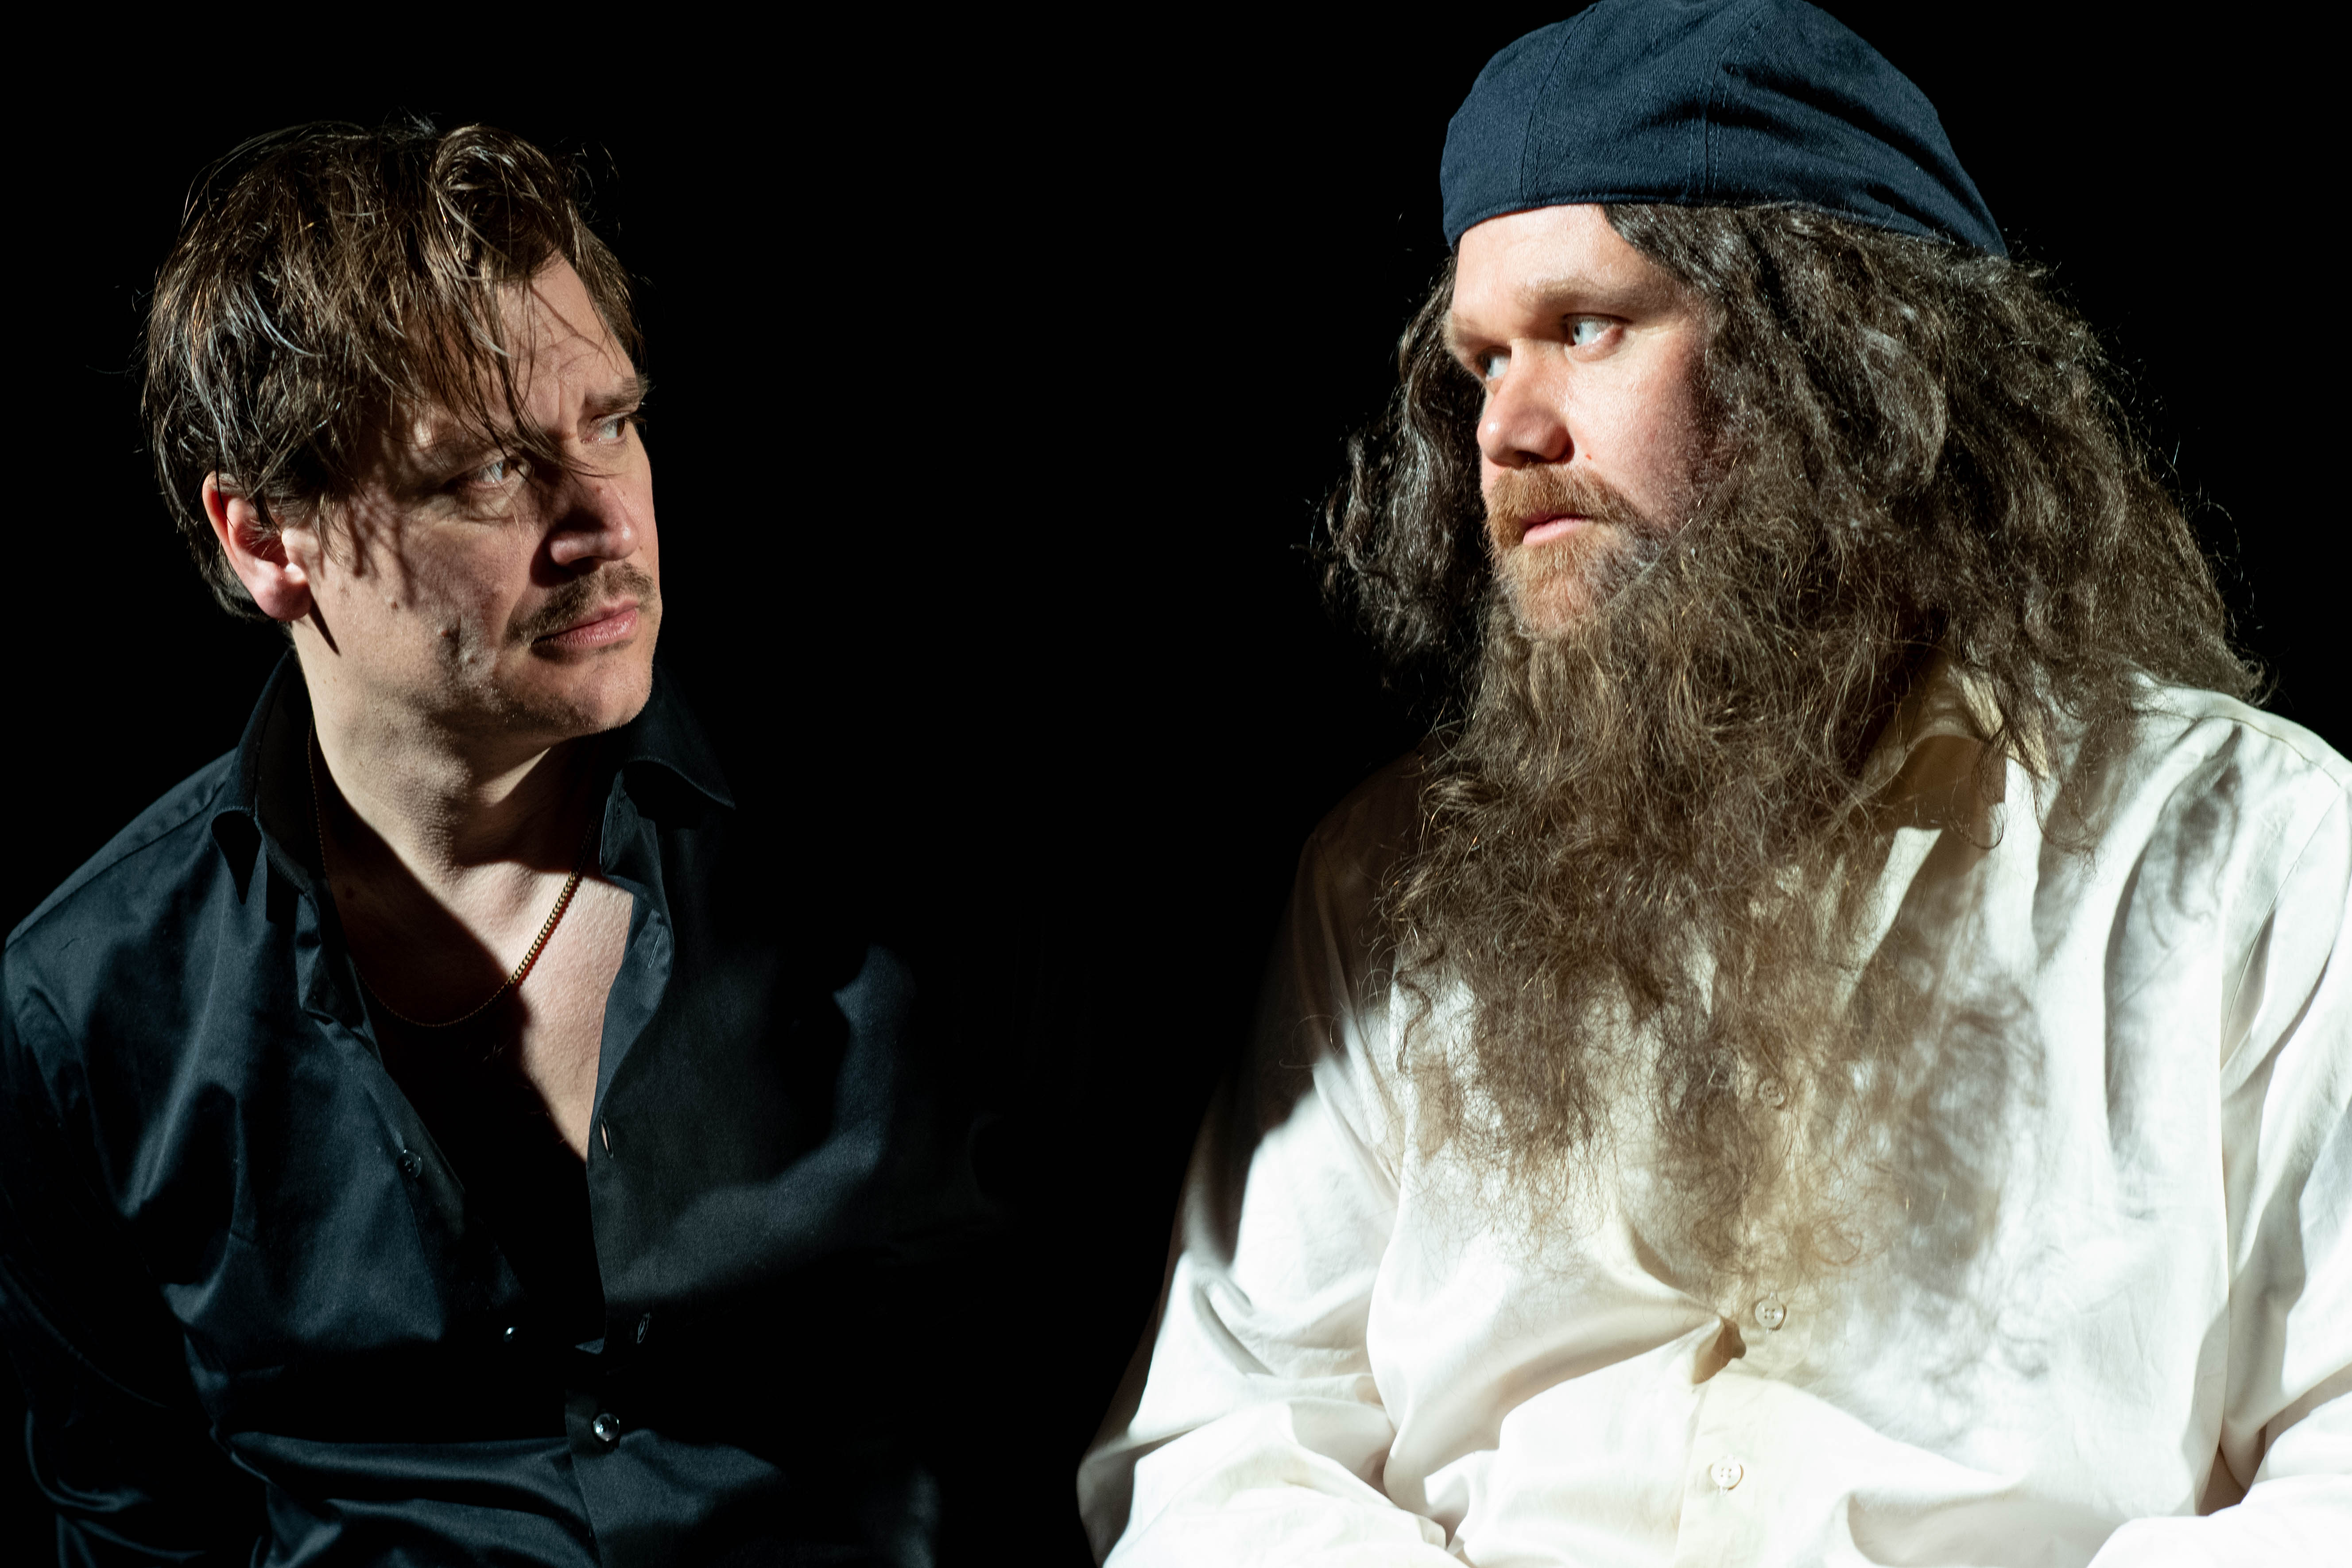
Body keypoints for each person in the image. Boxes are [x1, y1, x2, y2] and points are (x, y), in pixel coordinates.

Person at [1077, 2, 2351, 1562]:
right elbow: (1222, 1448)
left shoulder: (2255, 854)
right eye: (1483, 360)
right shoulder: (1385, 880)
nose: (1505, 429)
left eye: (1588, 328)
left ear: (1849, 355)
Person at [0, 120, 990, 1565]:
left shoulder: (898, 861)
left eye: (612, 424)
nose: (604, 524)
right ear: (267, 537)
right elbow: (129, 1524)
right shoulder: (90, 1005)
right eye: (487, 473)